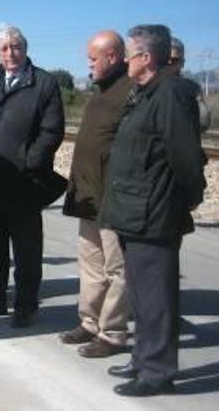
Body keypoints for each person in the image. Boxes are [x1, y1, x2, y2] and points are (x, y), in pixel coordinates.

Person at [99, 25, 206, 397]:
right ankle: (142, 358)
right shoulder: (145, 93)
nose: (126, 59)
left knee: (157, 298)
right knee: (141, 296)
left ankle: (157, 371)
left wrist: (188, 198)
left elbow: (186, 157)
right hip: (134, 211)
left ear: (146, 57)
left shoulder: (171, 93)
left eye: (130, 53)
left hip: (155, 213)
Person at [0, 26, 65, 328]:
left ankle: (26, 305)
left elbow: (51, 132)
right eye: (5, 48)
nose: (11, 53)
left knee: (26, 250)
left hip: (24, 184)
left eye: (16, 47)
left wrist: (27, 163)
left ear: (25, 48)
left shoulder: (44, 83)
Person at [60, 31, 133, 358]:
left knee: (117, 271)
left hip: (113, 201)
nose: (88, 62)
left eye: (93, 57)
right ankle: (89, 322)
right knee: (90, 266)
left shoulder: (131, 92)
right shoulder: (100, 90)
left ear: (113, 57)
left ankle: (113, 333)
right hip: (87, 197)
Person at [163, 37, 211, 133]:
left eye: (174, 60)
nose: (169, 63)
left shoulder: (192, 89)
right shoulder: (145, 86)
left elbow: (203, 123)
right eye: (165, 59)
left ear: (182, 63)